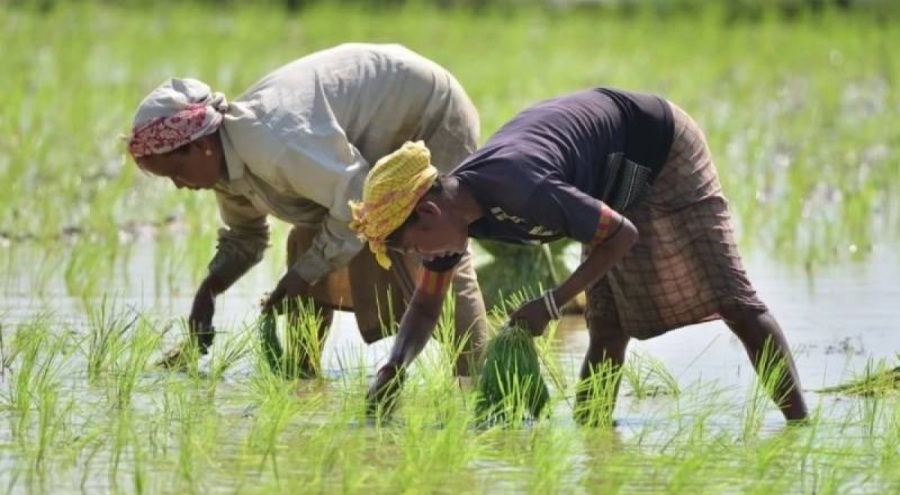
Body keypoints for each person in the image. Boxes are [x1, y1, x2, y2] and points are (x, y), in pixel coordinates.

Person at [352, 87, 809, 423]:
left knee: (734, 301)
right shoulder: (452, 220)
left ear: (428, 211)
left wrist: (551, 304)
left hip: (659, 148)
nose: (421, 256)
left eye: (415, 246)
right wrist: (395, 365)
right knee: (607, 324)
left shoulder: (520, 185)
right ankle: (595, 440)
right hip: (605, 180)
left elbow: (622, 235)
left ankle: (799, 426)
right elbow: (427, 305)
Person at [125, 43, 487, 377]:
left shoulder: (272, 142)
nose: (179, 185)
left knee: (437, 254)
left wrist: (303, 273)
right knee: (307, 245)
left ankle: (477, 383)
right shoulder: (226, 167)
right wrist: (209, 291)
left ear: (200, 145)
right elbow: (246, 237)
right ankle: (302, 374)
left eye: (176, 171)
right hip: (371, 136)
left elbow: (357, 202)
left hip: (426, 112)